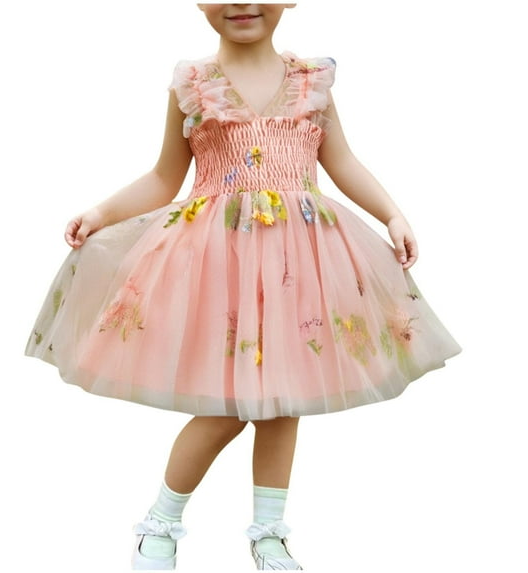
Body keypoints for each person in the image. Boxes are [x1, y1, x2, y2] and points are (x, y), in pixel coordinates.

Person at [25, 3, 461, 570]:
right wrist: (101, 213)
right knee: (228, 405)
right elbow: (164, 176)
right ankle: (161, 520)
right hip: (219, 268)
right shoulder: (193, 84)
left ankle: (269, 533)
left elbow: (343, 162)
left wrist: (393, 214)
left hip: (299, 267)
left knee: (285, 400)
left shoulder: (311, 83)